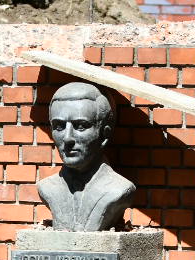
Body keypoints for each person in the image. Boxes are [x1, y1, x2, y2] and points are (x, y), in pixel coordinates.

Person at [37, 82, 135, 232]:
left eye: (81, 126)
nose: (67, 138)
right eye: (59, 126)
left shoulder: (119, 190)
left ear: (104, 135)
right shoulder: (47, 188)